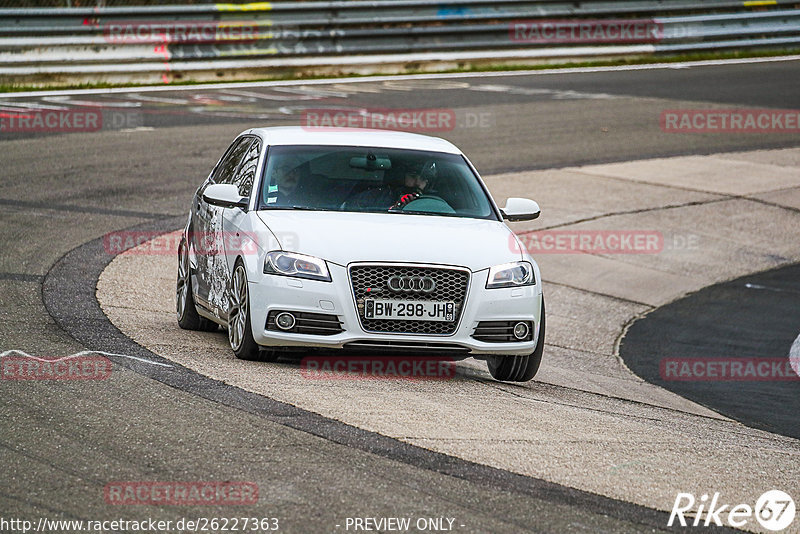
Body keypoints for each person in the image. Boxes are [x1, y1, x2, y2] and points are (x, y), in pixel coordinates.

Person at [350, 161, 435, 210]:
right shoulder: (375, 197)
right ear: (401, 176)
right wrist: (396, 207)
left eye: (423, 179)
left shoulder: (435, 202)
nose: (417, 183)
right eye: (412, 176)